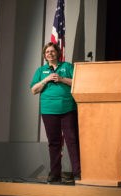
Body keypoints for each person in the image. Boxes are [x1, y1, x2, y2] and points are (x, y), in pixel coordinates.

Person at [30, 42, 81, 183]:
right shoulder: (41, 71)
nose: (50, 54)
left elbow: (78, 82)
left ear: (58, 53)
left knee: (72, 140)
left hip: (67, 108)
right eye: (47, 52)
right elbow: (33, 90)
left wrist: (62, 79)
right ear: (44, 55)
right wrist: (46, 80)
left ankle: (78, 172)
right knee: (54, 142)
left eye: (52, 51)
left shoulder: (67, 66)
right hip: (49, 110)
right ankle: (55, 174)